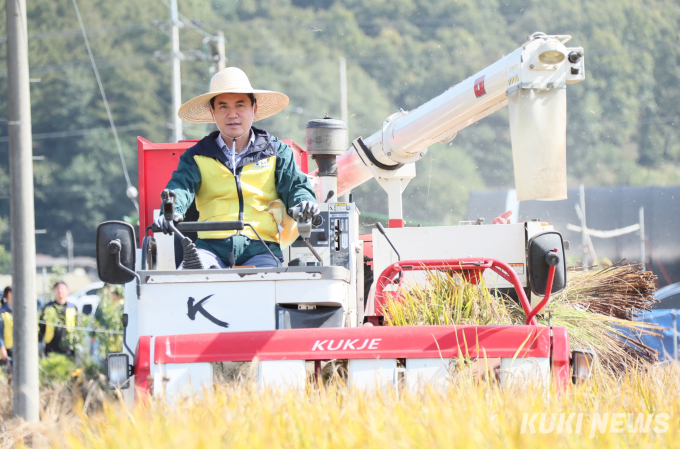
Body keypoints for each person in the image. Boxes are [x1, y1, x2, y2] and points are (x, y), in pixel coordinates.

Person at [155, 67, 319, 269]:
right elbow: (180, 188)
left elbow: (296, 186)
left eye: (240, 105)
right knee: (188, 281)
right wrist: (171, 211)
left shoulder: (278, 152)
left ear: (254, 109)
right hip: (209, 249)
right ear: (212, 112)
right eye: (223, 107)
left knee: (274, 289)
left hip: (262, 248)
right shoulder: (195, 156)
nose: (232, 114)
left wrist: (304, 202)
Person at [39, 281, 77, 357]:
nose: (60, 291)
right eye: (58, 289)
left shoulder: (73, 307)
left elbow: (77, 328)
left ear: (67, 291)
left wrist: (77, 344)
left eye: (62, 288)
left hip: (68, 349)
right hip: (51, 348)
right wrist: (39, 342)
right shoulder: (48, 307)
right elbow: (41, 326)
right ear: (54, 291)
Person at [0, 287, 12, 365]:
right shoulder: (2, 312)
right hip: (7, 349)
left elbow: (40, 305)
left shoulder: (19, 310)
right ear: (9, 294)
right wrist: (2, 348)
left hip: (18, 348)